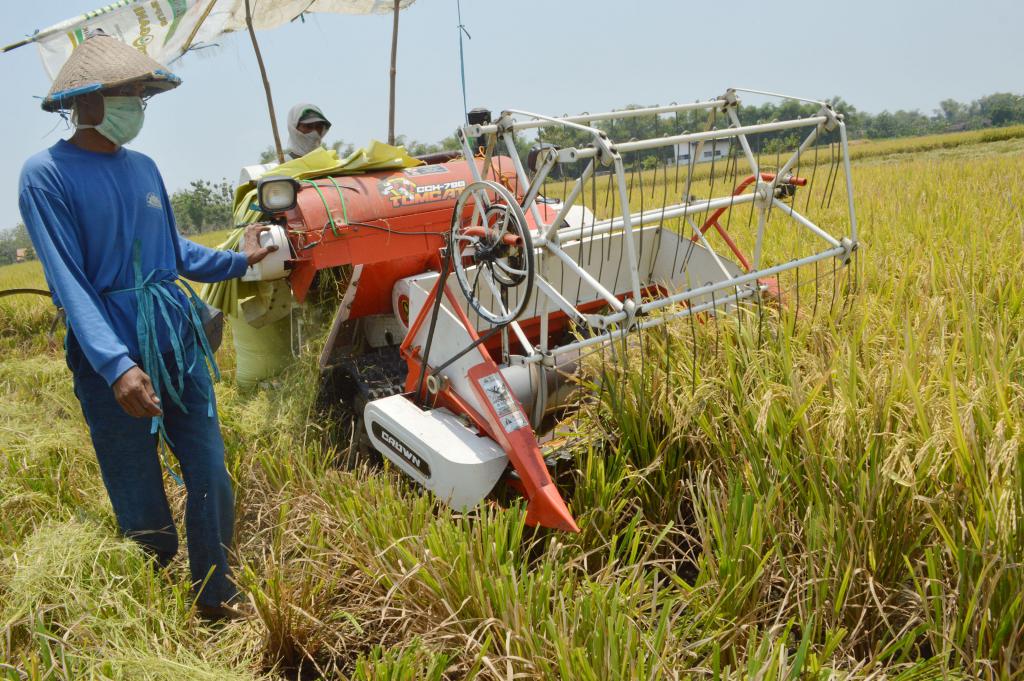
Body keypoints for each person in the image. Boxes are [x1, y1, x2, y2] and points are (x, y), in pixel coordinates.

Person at [18, 34, 276, 620]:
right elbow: (69, 283)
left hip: (174, 338)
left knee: (209, 464)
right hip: (111, 349)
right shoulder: (46, 176)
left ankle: (216, 592)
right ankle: (157, 593)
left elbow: (175, 252)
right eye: (126, 93)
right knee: (136, 485)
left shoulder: (144, 167)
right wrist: (116, 365)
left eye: (140, 94)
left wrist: (243, 259)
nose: (136, 104)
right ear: (85, 102)